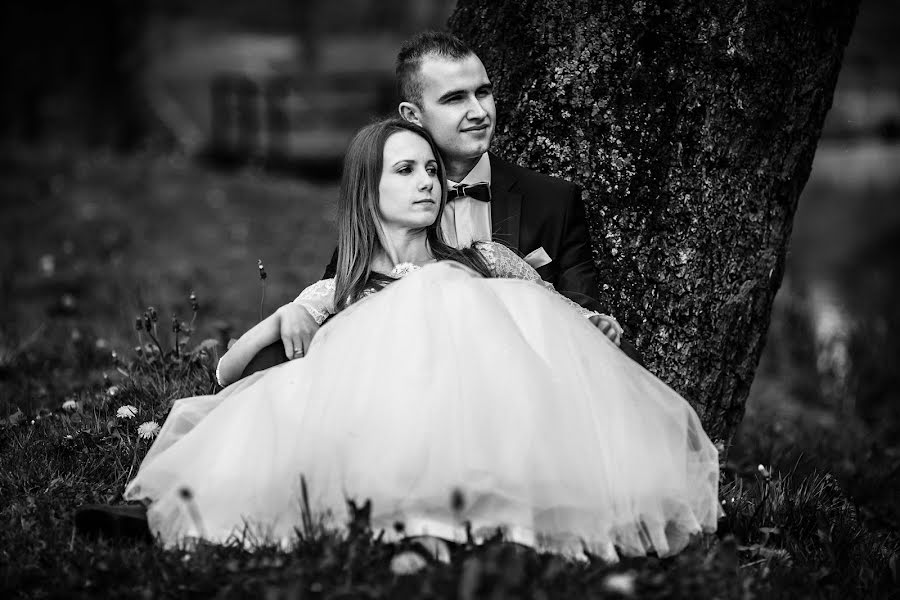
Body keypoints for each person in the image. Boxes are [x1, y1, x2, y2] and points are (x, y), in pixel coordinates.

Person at [121, 119, 720, 560]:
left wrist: (589, 329)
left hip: (490, 425)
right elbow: (227, 375)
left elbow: (554, 320)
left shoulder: (486, 258)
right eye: (405, 171)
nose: (427, 183)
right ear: (368, 190)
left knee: (452, 291)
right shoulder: (340, 291)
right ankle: (416, 528)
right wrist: (278, 318)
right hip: (387, 439)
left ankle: (484, 526)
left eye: (431, 169)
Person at [269, 31, 642, 369]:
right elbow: (340, 303)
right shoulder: (388, 207)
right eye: (454, 99)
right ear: (413, 116)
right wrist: (291, 313)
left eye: (483, 92)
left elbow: (584, 317)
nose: (479, 112)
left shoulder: (553, 199)